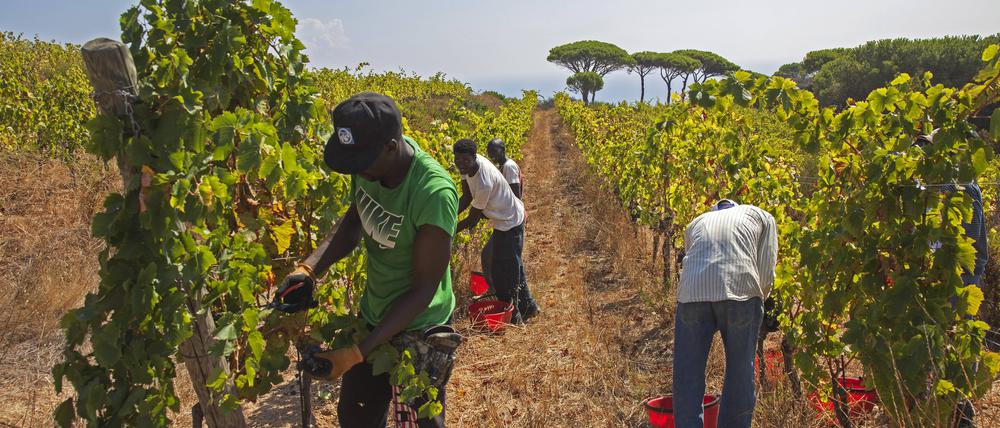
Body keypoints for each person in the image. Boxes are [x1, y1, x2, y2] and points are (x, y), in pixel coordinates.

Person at [273, 92, 460, 428]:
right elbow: (354, 221)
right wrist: (309, 268)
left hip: (420, 327)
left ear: (391, 146)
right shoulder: (368, 163)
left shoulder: (432, 193)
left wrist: (358, 352)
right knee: (356, 417)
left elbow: (423, 290)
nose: (356, 171)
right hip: (375, 315)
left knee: (422, 423)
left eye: (362, 162)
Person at [673, 199, 778, 428]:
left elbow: (692, 259)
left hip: (691, 294)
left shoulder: (696, 222)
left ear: (714, 211)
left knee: (687, 373)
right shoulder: (761, 215)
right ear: (737, 206)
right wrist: (763, 300)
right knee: (740, 373)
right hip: (740, 292)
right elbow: (766, 266)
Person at [453, 139, 539, 323]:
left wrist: (450, 230)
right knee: (507, 264)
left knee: (508, 268)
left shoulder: (483, 181)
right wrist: (449, 215)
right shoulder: (465, 167)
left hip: (511, 220)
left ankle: (514, 312)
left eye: (464, 161)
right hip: (501, 220)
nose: (460, 165)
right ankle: (528, 306)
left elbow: (473, 218)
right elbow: (466, 197)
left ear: (474, 157)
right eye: (457, 161)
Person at [480, 138, 524, 289]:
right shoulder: (503, 166)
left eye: (495, 150)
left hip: (510, 221)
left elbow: (514, 197)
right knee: (513, 260)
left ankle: (495, 290)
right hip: (508, 220)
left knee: (489, 256)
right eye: (489, 151)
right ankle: (525, 301)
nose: (492, 154)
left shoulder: (509, 167)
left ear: (503, 149)